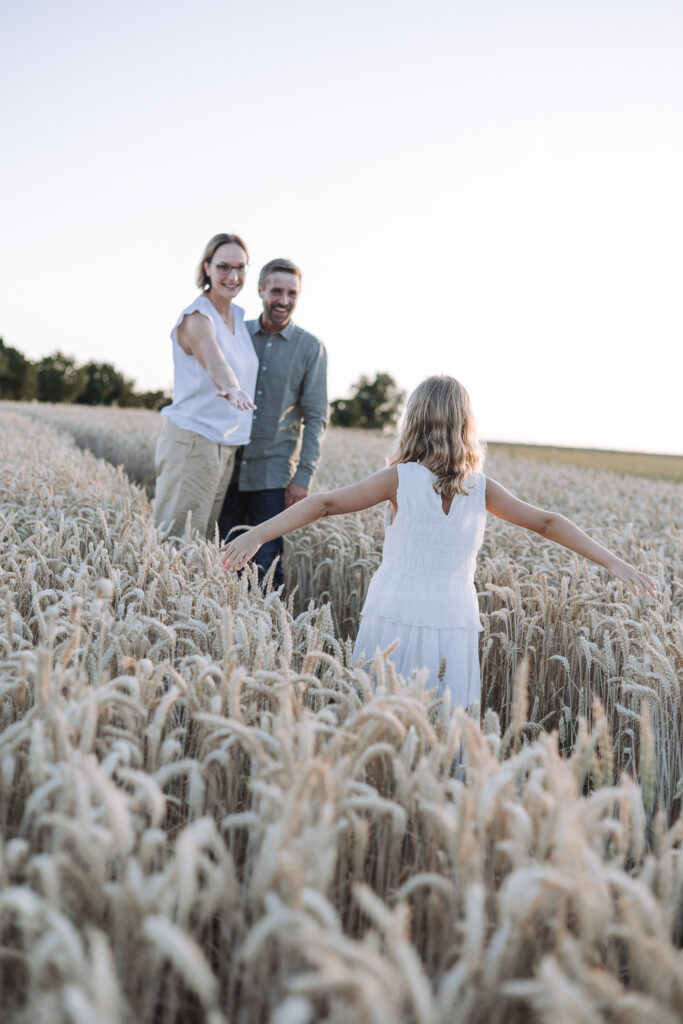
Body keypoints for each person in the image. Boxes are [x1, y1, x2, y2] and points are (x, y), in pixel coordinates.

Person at [221, 374, 656, 708]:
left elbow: (326, 504)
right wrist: (614, 563)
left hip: (394, 611)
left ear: (413, 420)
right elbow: (546, 522)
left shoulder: (398, 479)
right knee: (446, 718)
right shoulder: (481, 488)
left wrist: (258, 533)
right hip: (453, 617)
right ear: (466, 425)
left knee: (379, 709)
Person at [218, 257, 328, 589]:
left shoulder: (310, 348)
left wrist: (303, 476)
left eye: (292, 293)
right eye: (276, 291)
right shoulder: (235, 335)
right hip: (226, 467)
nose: (284, 300)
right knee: (221, 560)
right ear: (261, 290)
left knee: (266, 567)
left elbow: (316, 416)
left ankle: (266, 638)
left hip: (273, 476)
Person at [154, 232, 258, 540]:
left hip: (224, 444)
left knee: (197, 543)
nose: (233, 275)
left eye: (240, 267)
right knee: (175, 544)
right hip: (194, 441)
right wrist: (233, 387)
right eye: (224, 267)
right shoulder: (198, 318)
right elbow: (215, 361)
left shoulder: (238, 318)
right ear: (207, 267)